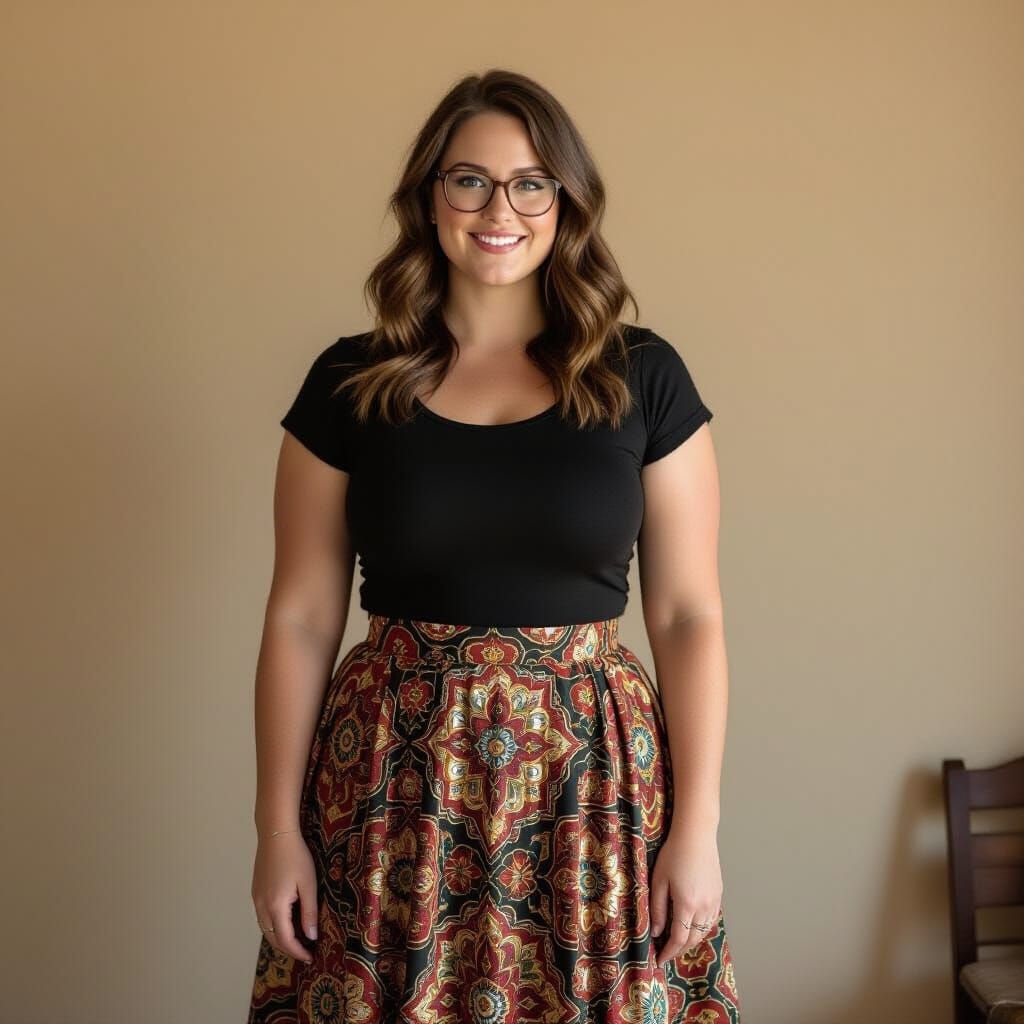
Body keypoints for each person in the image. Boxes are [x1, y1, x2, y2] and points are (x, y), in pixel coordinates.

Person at [247, 68, 740, 1024]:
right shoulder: (351, 381)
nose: (498, 209)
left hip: (593, 782)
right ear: (429, 198)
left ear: (566, 201)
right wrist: (274, 828)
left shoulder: (644, 376)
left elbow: (688, 615)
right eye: (468, 179)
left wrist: (700, 827)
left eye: (530, 183)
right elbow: (302, 615)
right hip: (392, 776)